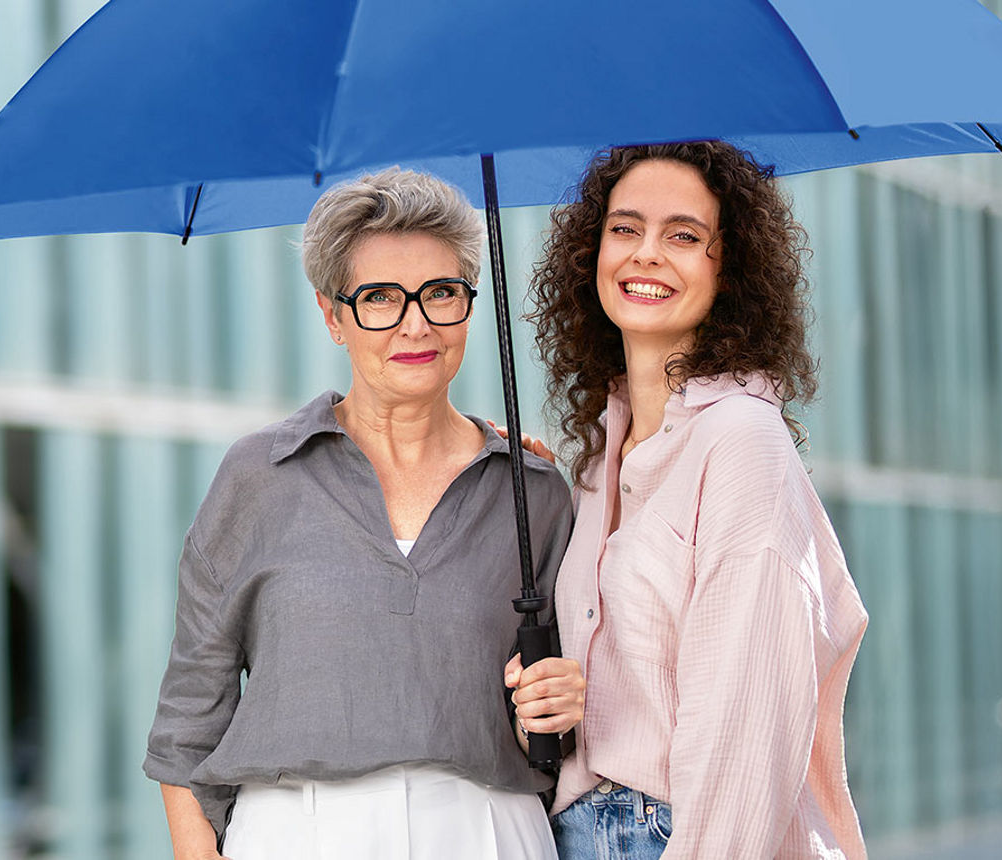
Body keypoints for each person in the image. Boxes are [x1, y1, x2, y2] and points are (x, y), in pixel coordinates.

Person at [144, 167, 585, 860]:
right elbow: (189, 714)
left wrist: (554, 708)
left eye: (441, 293)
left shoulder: (537, 495)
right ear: (333, 315)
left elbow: (557, 737)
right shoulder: (260, 476)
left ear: (469, 304)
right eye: (380, 297)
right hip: (297, 834)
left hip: (489, 832)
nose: (416, 324)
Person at [527, 141, 868, 858]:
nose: (646, 252)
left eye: (683, 235)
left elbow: (748, 728)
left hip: (676, 836)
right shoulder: (603, 450)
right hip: (579, 831)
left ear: (730, 267)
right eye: (624, 228)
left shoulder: (740, 441)